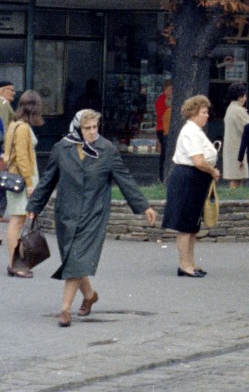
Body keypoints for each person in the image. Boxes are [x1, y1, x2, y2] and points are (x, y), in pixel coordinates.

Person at [26, 110, 156, 327]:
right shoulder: (62, 148)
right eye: (87, 128)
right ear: (78, 128)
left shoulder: (107, 150)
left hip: (94, 214)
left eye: (95, 127)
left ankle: (65, 309)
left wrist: (144, 206)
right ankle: (89, 295)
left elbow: (125, 179)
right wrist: (34, 206)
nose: (93, 132)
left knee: (76, 258)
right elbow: (48, 180)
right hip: (66, 214)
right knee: (74, 260)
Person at [161, 94, 220, 277]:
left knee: (193, 224)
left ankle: (191, 262)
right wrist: (213, 171)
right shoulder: (190, 131)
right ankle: (184, 264)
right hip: (188, 178)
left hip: (195, 180)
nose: (207, 115)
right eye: (204, 112)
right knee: (186, 224)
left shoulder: (196, 130)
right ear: (194, 113)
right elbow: (198, 161)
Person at [4, 89, 44, 277]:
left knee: (17, 220)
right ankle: (15, 263)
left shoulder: (14, 124)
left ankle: (16, 261)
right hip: (22, 180)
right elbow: (21, 158)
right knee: (18, 220)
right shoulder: (22, 128)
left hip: (16, 178)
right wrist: (29, 183)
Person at [221, 82, 249, 189]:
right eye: (245, 95)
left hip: (232, 147)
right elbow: (247, 129)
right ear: (240, 96)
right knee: (236, 178)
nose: (246, 98)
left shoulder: (231, 108)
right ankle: (234, 196)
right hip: (238, 148)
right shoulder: (238, 111)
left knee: (237, 177)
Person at [154, 80, 172, 182]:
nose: (171, 91)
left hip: (166, 129)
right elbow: (162, 115)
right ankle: (162, 177)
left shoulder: (170, 99)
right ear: (165, 90)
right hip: (163, 129)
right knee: (164, 154)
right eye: (170, 89)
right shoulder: (161, 100)